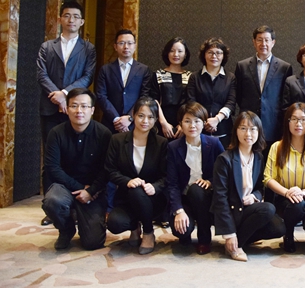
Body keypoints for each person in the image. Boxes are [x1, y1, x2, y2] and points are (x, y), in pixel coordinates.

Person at [37, 1, 96, 225]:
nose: (71, 20)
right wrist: (57, 96)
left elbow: (87, 76)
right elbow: (41, 75)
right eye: (67, 15)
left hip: (77, 108)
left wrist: (65, 94)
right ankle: (50, 208)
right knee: (50, 159)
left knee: (78, 157)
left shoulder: (88, 49)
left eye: (76, 16)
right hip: (50, 108)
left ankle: (76, 203)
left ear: (82, 21)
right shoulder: (47, 47)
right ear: (60, 19)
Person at [42, 88, 112, 250]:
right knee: (53, 201)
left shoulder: (104, 134)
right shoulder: (56, 133)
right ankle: (66, 229)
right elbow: (52, 167)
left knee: (93, 242)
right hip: (65, 186)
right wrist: (80, 188)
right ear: (66, 109)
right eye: (74, 106)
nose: (79, 111)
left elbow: (108, 169)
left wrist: (91, 191)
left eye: (84, 106)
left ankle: (82, 218)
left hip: (94, 191)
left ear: (92, 110)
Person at [211, 112, 286, 262]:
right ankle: (236, 245)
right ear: (236, 131)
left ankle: (241, 239)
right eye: (243, 128)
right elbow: (220, 198)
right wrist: (229, 233)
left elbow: (259, 188)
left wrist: (254, 196)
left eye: (253, 129)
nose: (248, 134)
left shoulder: (258, 157)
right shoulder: (225, 159)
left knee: (279, 228)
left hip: (246, 209)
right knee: (268, 208)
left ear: (259, 132)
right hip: (231, 211)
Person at [105, 97, 168, 255]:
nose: (145, 121)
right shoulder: (117, 140)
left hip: (152, 198)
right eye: (141, 116)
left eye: (150, 117)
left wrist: (155, 187)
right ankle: (134, 227)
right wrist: (127, 181)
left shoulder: (161, 143)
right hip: (126, 197)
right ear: (133, 115)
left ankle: (148, 232)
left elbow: (167, 175)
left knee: (138, 191)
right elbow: (110, 170)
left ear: (155, 119)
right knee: (114, 223)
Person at [263, 103, 305, 253]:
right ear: (288, 122)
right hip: (285, 198)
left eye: (303, 120)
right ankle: (289, 233)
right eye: (294, 119)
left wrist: (302, 193)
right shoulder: (277, 147)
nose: (298, 124)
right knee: (296, 205)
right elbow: (268, 178)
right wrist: (287, 193)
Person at [166, 102, 224, 255]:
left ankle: (204, 239)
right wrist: (178, 210)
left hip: (207, 198)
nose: (192, 125)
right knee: (181, 231)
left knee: (197, 190)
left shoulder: (214, 143)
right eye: (187, 121)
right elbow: (172, 183)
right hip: (184, 199)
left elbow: (225, 172)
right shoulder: (173, 147)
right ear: (180, 124)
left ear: (204, 123)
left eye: (197, 121)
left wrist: (210, 181)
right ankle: (186, 232)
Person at [235, 26, 293, 149]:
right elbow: (239, 94)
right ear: (254, 42)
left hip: (273, 124)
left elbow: (286, 98)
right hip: (249, 124)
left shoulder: (284, 67)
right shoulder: (242, 66)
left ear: (273, 42)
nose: (263, 44)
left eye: (267, 40)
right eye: (259, 40)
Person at [96, 29, 152, 134]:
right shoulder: (106, 69)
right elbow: (101, 96)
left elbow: (144, 97)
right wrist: (116, 119)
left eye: (130, 43)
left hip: (135, 124)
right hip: (110, 123)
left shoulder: (144, 70)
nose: (126, 47)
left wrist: (130, 117)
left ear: (135, 46)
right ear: (115, 46)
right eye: (121, 43)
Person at [187, 37, 236, 148]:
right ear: (204, 55)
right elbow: (191, 102)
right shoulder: (195, 77)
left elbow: (231, 103)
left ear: (223, 56)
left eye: (218, 53)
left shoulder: (230, 77)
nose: (214, 56)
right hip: (199, 130)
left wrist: (217, 119)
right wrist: (206, 122)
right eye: (210, 52)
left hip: (224, 131)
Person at [150, 37, 192, 139]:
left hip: (185, 124)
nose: (175, 54)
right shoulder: (158, 75)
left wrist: (183, 123)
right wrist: (163, 123)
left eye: (180, 51)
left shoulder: (191, 76)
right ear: (167, 53)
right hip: (161, 123)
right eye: (172, 51)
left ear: (185, 54)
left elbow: (191, 101)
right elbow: (154, 100)